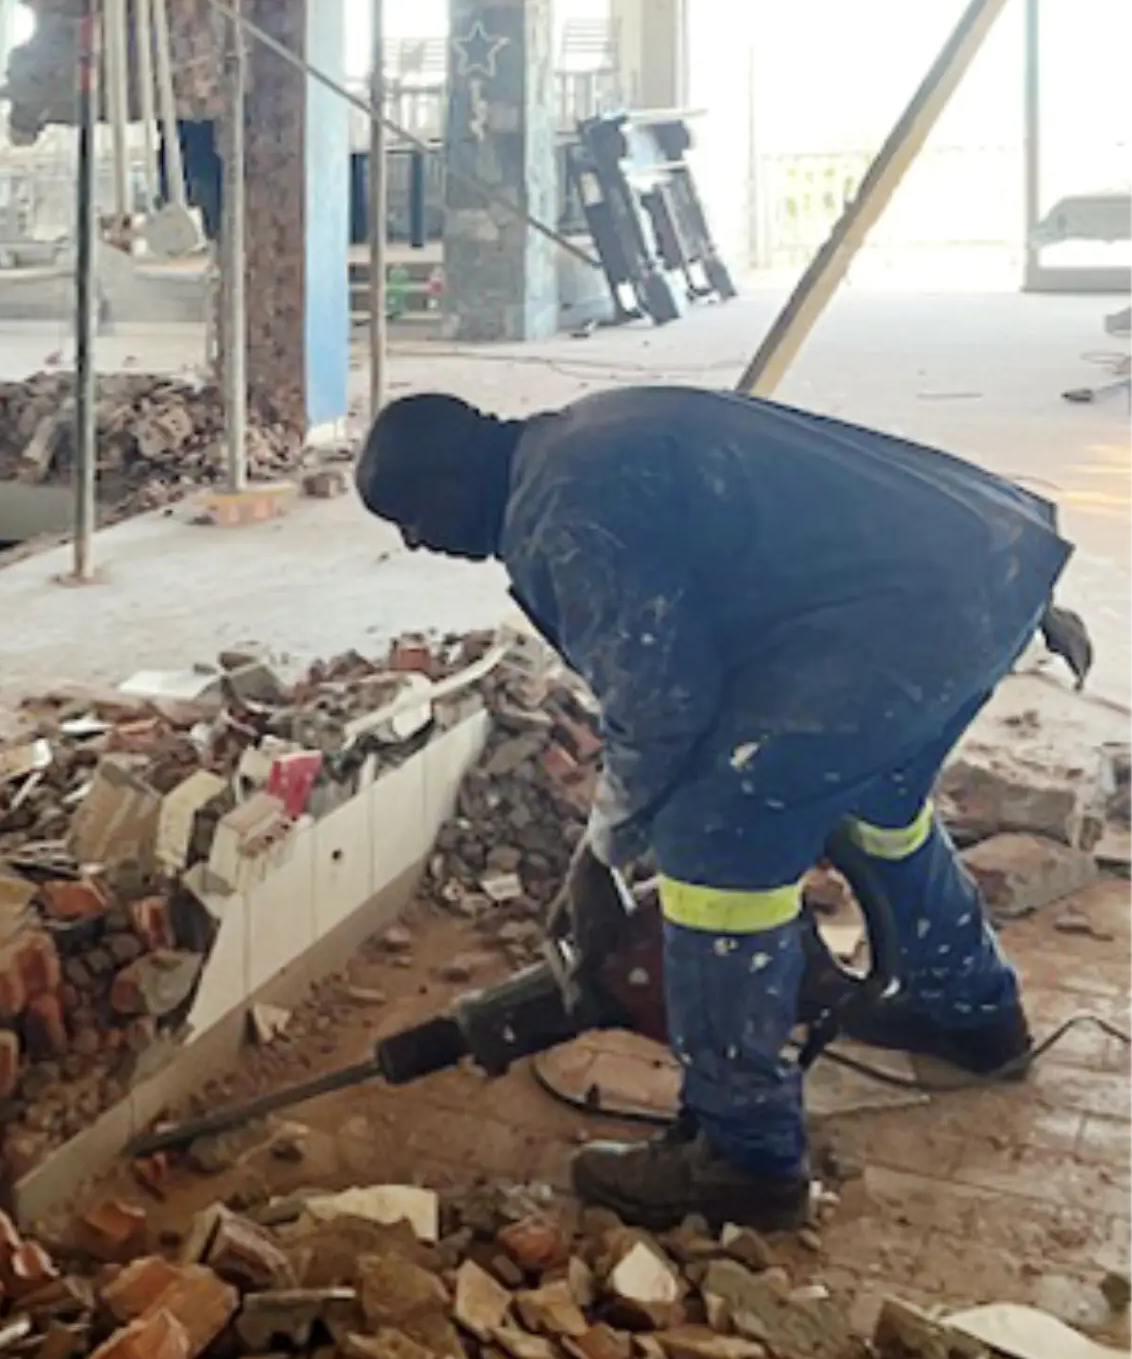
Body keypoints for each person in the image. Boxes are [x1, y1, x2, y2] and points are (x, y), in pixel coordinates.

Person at [355, 384, 1075, 1232]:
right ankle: (976, 1016)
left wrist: (604, 854)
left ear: (450, 477)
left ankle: (743, 1156)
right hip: (977, 571)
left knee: (714, 842)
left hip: (906, 618)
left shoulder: (567, 514)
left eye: (409, 514)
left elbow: (663, 703)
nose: (414, 540)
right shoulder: (575, 442)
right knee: (877, 805)